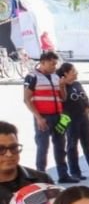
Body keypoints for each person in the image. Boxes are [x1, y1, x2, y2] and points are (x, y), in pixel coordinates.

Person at [24, 51, 71, 183]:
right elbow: (27, 99)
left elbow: (63, 97)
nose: (54, 67)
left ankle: (63, 175)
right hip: (43, 117)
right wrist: (38, 118)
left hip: (58, 116)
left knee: (61, 146)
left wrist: (62, 87)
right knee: (43, 147)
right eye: (52, 64)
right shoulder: (32, 77)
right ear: (43, 62)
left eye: (55, 64)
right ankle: (41, 177)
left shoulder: (55, 76)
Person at [55, 63, 89, 179]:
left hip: (84, 118)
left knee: (88, 144)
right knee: (72, 145)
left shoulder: (77, 84)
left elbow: (84, 97)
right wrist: (62, 86)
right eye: (73, 71)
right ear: (66, 73)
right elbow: (63, 99)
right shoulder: (61, 86)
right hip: (70, 119)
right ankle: (75, 172)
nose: (76, 73)